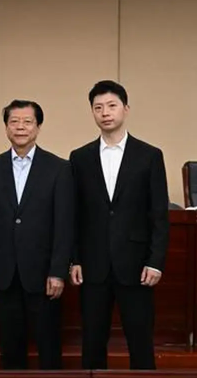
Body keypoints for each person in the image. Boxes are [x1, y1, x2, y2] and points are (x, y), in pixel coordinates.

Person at [69, 80, 169, 370]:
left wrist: (155, 262)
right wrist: (74, 259)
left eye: (112, 106)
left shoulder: (149, 155)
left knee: (140, 341)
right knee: (92, 341)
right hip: (93, 265)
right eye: (98, 107)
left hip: (136, 265)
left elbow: (158, 214)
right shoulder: (80, 158)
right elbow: (74, 214)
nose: (105, 113)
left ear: (126, 109)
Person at [0, 100, 74, 370]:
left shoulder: (59, 168)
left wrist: (58, 272)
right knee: (11, 349)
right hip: (3, 273)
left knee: (48, 348)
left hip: (44, 275)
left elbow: (64, 225)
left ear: (38, 127)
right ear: (6, 127)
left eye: (27, 122)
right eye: (14, 122)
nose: (20, 127)